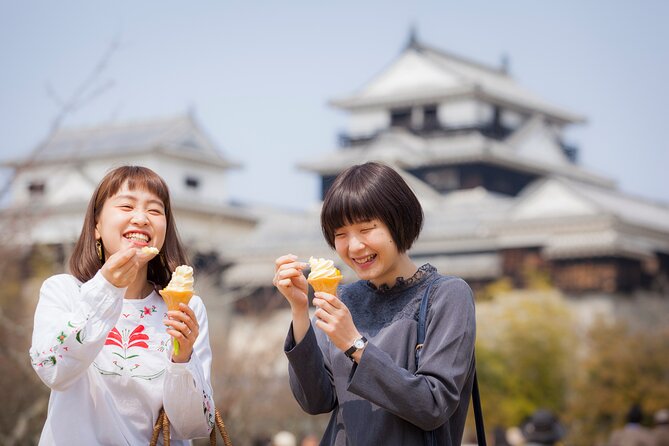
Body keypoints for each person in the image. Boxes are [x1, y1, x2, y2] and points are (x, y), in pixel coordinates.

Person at [273, 162, 477, 445]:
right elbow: (315, 400)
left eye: (367, 229)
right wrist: (299, 310)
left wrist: (355, 345)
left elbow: (433, 404)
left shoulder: (448, 295)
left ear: (399, 223)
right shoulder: (344, 298)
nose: (354, 246)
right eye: (341, 234)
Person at [29, 165, 214, 445]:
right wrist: (107, 287)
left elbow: (193, 426)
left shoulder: (187, 307)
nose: (141, 218)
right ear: (96, 227)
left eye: (154, 210)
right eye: (126, 206)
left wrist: (183, 358)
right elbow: (52, 370)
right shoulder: (64, 292)